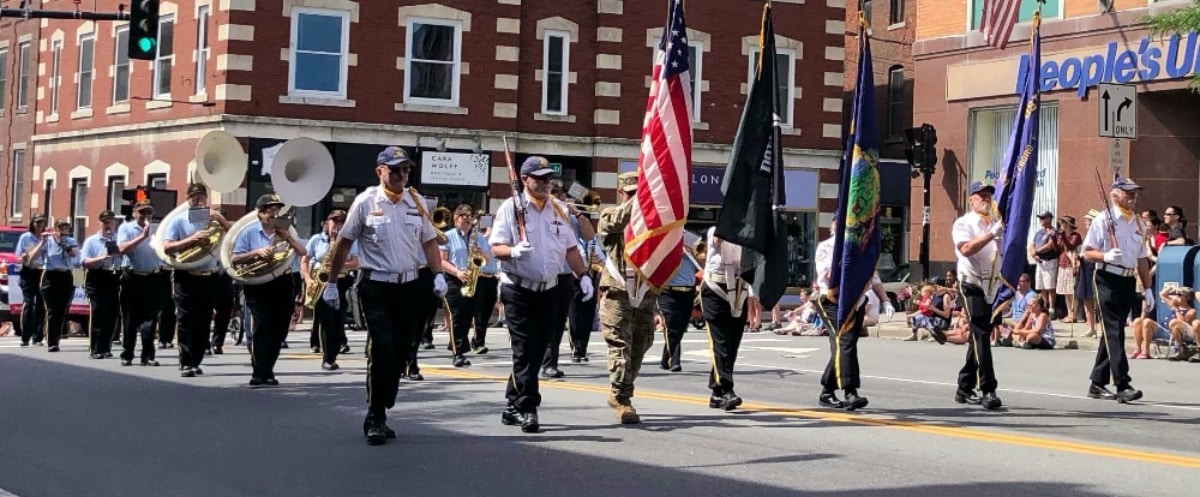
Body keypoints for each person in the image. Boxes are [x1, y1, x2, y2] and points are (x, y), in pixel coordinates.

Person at [324, 146, 447, 445]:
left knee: (404, 349)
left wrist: (439, 272)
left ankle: (385, 399)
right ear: (380, 172)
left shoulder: (415, 202)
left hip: (409, 285)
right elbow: (344, 242)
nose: (402, 175)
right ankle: (375, 415)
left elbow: (429, 242)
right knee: (382, 348)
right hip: (376, 285)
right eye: (395, 170)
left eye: (405, 170)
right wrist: (330, 282)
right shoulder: (366, 202)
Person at [490, 156, 593, 433]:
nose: (547, 183)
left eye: (549, 178)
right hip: (518, 289)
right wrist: (512, 252)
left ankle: (512, 403)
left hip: (550, 290)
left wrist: (583, 275)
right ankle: (528, 407)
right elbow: (495, 246)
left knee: (538, 350)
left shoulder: (559, 209)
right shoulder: (511, 208)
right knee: (524, 350)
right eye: (540, 178)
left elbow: (571, 248)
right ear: (524, 180)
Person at [1081, 177, 1149, 404]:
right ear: (1115, 195)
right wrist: (1105, 256)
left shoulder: (1138, 223)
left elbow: (1141, 259)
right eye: (1128, 192)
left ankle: (1097, 382)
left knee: (1114, 330)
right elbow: (1087, 252)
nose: (1133, 196)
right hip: (1107, 277)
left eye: (1135, 193)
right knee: (1114, 330)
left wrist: (1147, 288)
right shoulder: (1103, 220)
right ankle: (1122, 383)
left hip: (1128, 281)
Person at [812, 216, 893, 410]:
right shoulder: (826, 247)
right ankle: (850, 392)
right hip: (832, 300)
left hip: (856, 301)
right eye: (838, 223)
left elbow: (873, 278)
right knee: (845, 343)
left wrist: (886, 300)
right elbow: (828, 276)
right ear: (833, 226)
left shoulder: (860, 247)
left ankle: (827, 390)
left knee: (845, 345)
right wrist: (845, 253)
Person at [596, 172, 656, 424]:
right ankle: (622, 399)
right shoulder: (609, 215)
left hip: (644, 289)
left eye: (638, 193)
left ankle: (620, 389)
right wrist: (644, 197)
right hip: (617, 290)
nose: (635, 199)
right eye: (630, 194)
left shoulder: (653, 222)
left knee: (642, 343)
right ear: (621, 194)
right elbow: (620, 219)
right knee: (620, 345)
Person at [231, 193, 308, 387]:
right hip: (258, 284)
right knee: (261, 327)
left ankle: (269, 369)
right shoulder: (248, 232)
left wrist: (288, 238)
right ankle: (258, 371)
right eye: (270, 211)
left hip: (282, 283)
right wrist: (256, 253)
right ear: (261, 214)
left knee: (279, 329)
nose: (274, 215)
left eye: (276, 211)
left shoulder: (285, 232)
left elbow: (303, 252)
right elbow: (234, 259)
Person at [161, 183, 232, 377]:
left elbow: (233, 238)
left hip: (208, 277)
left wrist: (222, 220)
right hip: (186, 275)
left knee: (203, 320)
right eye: (194, 197)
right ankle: (186, 361)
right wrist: (192, 240)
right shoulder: (178, 220)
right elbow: (167, 247)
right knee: (186, 319)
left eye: (202, 196)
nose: (199, 200)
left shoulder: (213, 220)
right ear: (188, 199)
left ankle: (197, 359)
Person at [950, 181, 1004, 410]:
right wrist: (991, 235)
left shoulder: (996, 222)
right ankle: (988, 388)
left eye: (989, 195)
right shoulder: (964, 223)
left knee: (978, 334)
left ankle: (964, 386)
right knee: (981, 333)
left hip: (991, 286)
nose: (985, 199)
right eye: (980, 195)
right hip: (971, 282)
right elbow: (966, 249)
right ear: (970, 199)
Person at [543, 181, 596, 376]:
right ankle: (544, 359)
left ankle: (551, 362)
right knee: (545, 320)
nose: (560, 197)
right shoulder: (542, 214)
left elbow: (590, 236)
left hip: (565, 274)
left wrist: (578, 214)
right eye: (555, 193)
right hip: (545, 274)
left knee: (558, 320)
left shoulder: (569, 217)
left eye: (562, 194)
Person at [301, 209, 358, 370]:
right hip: (321, 282)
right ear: (327, 222)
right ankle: (327, 357)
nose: (337, 225)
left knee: (338, 320)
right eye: (334, 221)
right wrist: (308, 279)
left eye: (341, 222)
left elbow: (356, 262)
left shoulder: (349, 240)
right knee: (326, 321)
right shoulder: (316, 240)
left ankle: (334, 351)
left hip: (341, 281)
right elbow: (304, 259)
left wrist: (338, 264)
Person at [702, 226, 750, 411]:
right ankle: (727, 390)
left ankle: (716, 392)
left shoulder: (749, 232)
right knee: (720, 342)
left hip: (739, 290)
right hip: (716, 289)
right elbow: (716, 239)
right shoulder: (716, 229)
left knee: (732, 345)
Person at [117, 199, 166, 366]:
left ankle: (148, 355)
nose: (145, 216)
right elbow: (123, 249)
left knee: (151, 319)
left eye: (148, 212)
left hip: (153, 277)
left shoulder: (157, 229)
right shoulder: (126, 228)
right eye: (142, 212)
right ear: (134, 213)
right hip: (133, 277)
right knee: (130, 319)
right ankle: (127, 354)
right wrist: (143, 236)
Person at [439, 204, 489, 367]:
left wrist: (482, 254)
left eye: (470, 216)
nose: (468, 219)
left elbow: (487, 259)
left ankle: (456, 343)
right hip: (454, 278)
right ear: (456, 218)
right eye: (464, 216)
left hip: (473, 278)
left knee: (469, 315)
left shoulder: (478, 237)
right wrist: (458, 273)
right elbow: (441, 261)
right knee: (457, 315)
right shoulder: (448, 236)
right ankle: (458, 353)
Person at [80, 210, 123, 359]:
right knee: (98, 311)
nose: (108, 224)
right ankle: (96, 348)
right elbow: (84, 262)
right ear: (100, 223)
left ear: (114, 223)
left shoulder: (119, 240)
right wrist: (102, 256)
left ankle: (106, 347)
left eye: (110, 221)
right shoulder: (92, 241)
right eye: (105, 222)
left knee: (112, 313)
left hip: (114, 275)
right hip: (97, 276)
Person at [39, 219, 79, 352]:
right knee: (52, 310)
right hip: (51, 275)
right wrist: (42, 241)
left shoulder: (71, 241)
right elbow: (33, 254)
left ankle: (56, 338)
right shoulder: (48, 241)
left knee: (62, 310)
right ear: (55, 228)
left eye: (65, 228)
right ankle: (52, 342)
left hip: (66, 276)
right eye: (60, 227)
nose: (63, 230)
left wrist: (78, 283)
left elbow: (74, 257)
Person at [659, 242, 698, 372]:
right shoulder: (667, 242)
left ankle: (665, 359)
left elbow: (703, 266)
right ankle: (674, 361)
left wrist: (694, 254)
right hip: (668, 291)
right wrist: (675, 252)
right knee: (672, 326)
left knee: (680, 328)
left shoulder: (694, 245)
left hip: (688, 291)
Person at [16, 214, 49, 347]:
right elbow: (30, 257)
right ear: (33, 223)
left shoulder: (48, 238)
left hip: (42, 272)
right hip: (29, 271)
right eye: (38, 222)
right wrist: (42, 242)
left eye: (42, 222)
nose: (40, 225)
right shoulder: (26, 237)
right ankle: (25, 337)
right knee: (29, 303)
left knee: (41, 303)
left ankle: (37, 337)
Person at [471, 222, 499, 354]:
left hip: (492, 277)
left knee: (487, 312)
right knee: (479, 312)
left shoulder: (497, 237)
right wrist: (486, 234)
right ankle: (478, 342)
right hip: (480, 276)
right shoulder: (479, 237)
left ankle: (478, 339)